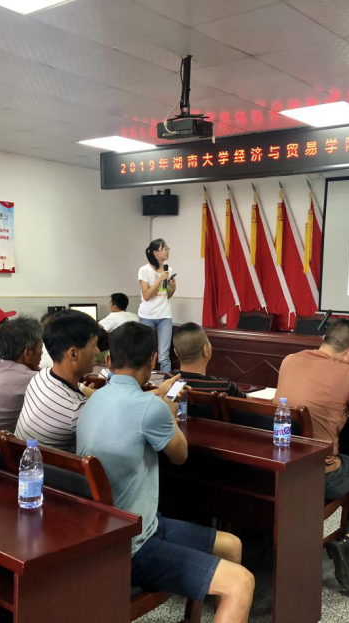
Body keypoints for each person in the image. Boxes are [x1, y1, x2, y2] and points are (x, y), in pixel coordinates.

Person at [78, 322, 255, 622]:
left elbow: (136, 410)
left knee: (231, 545)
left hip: (124, 526)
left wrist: (158, 401)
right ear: (152, 360)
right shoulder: (152, 408)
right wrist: (169, 412)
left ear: (108, 360)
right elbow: (180, 455)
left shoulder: (95, 398)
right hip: (133, 545)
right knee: (242, 582)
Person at [274, 319, 349, 597]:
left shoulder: (290, 360)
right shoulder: (348, 374)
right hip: (320, 473)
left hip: (282, 464)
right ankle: (348, 544)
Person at [14, 310, 99, 452]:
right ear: (73, 354)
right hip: (51, 466)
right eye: (94, 345)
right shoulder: (76, 411)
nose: (97, 351)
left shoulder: (42, 376)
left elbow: (81, 388)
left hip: (24, 459)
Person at [170, 322, 246, 397]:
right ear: (205, 350)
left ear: (176, 352)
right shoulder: (225, 387)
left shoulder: (169, 379)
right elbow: (248, 401)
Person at [138, 238, 176, 372]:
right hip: (146, 317)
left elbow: (166, 295)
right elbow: (147, 296)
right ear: (155, 252)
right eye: (165, 249)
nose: (167, 251)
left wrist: (172, 288)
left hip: (165, 316)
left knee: (164, 356)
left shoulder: (168, 269)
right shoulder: (144, 270)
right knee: (145, 353)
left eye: (167, 249)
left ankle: (166, 382)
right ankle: (144, 380)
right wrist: (159, 279)